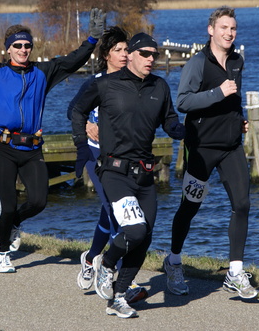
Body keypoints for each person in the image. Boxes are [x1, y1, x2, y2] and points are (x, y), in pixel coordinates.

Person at [0, 6, 103, 273]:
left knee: (38, 201)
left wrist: (92, 40)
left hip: (33, 147)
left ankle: (13, 224)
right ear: (8, 49)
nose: (24, 50)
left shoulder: (42, 73)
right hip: (3, 147)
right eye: (18, 46)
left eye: (27, 45)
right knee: (8, 202)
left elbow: (73, 60)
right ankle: (2, 253)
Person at [71, 32, 185, 319]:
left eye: (154, 55)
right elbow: (76, 110)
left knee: (144, 237)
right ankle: (106, 263)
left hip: (146, 174)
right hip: (114, 172)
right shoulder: (106, 84)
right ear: (131, 55)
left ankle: (119, 297)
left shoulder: (160, 87)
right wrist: (82, 142)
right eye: (145, 54)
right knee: (133, 230)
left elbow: (170, 123)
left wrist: (192, 130)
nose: (151, 59)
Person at [163, 6, 259, 300]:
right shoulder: (197, 63)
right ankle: (174, 261)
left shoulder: (237, 61)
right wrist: (218, 92)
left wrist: (239, 118)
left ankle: (234, 271)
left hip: (231, 147)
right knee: (190, 208)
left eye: (233, 29)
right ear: (211, 30)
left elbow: (233, 98)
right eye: (224, 28)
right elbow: (183, 102)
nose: (229, 33)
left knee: (242, 204)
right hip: (202, 148)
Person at [67, 26, 147, 304]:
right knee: (118, 213)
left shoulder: (134, 81)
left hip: (126, 158)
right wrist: (88, 124)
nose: (124, 55)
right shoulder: (97, 82)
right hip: (97, 156)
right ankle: (123, 279)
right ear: (106, 55)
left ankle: (90, 259)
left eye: (127, 50)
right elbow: (73, 109)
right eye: (118, 50)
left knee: (108, 210)